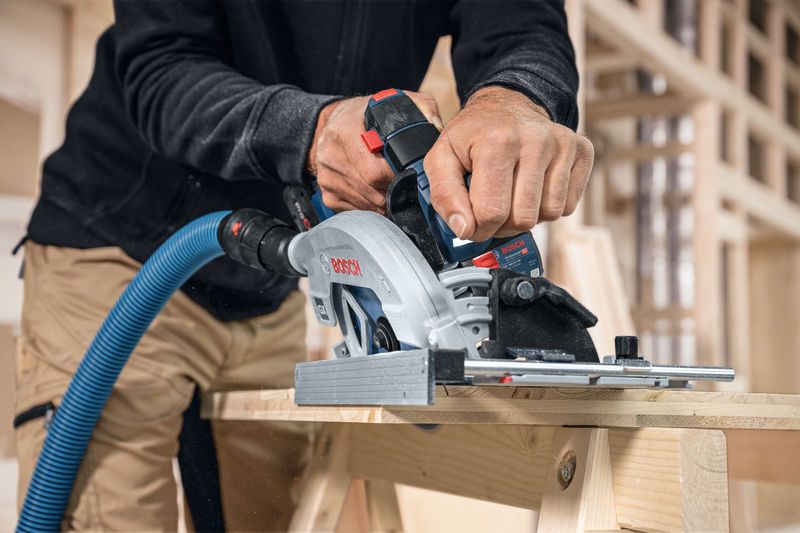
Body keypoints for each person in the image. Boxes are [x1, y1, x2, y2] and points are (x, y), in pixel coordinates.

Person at [13, 1, 594, 531]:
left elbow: (520, 24)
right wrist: (311, 131)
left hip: (268, 279)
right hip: (123, 252)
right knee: (108, 515)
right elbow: (163, 70)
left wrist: (513, 98)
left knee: (265, 515)